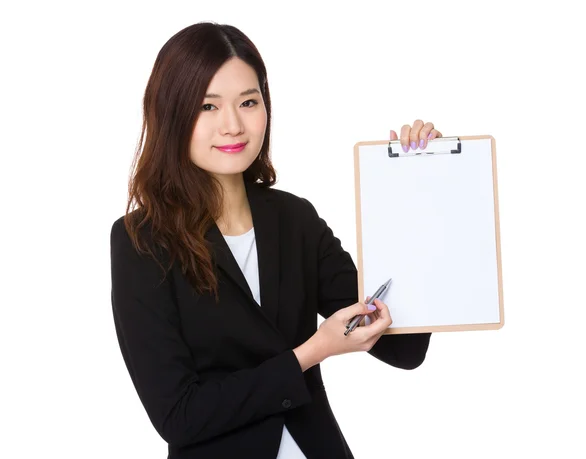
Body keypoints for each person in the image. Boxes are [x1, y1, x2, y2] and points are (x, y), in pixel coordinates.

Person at [110, 22, 439, 459]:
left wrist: (415, 197)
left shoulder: (293, 218)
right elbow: (180, 415)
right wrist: (311, 352)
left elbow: (404, 346)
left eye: (249, 101)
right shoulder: (141, 241)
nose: (232, 125)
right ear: (171, 114)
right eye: (207, 107)